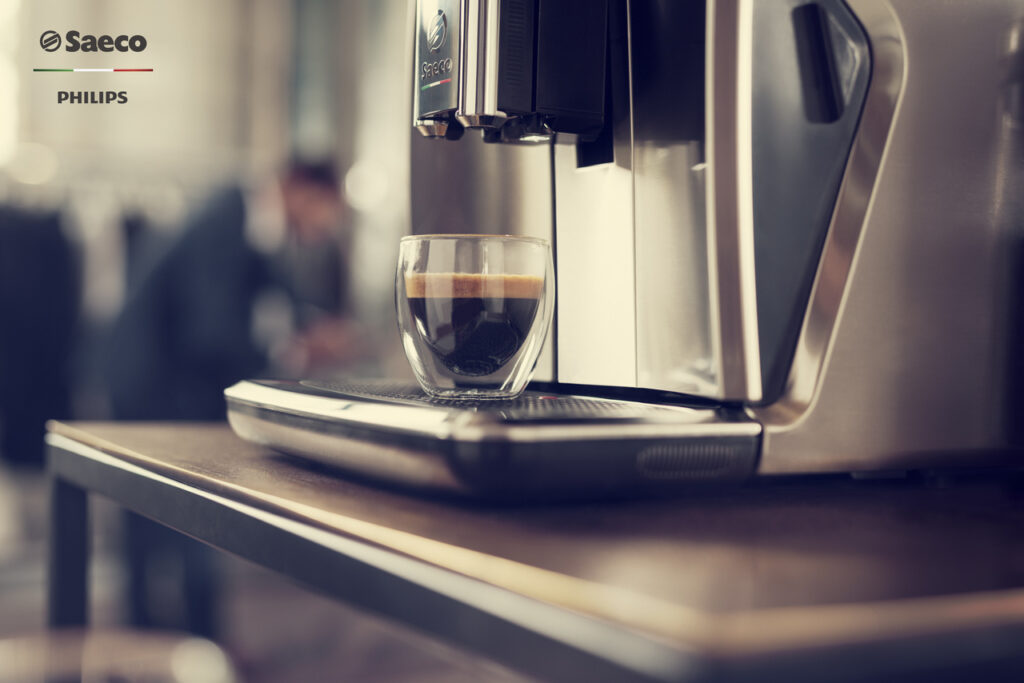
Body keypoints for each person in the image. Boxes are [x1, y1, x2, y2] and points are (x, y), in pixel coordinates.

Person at [106, 160, 357, 638]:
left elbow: (271, 284)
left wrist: (311, 324)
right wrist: (296, 350)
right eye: (325, 209)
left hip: (167, 379)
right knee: (168, 514)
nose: (325, 226)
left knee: (174, 514)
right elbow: (211, 332)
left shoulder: (246, 216)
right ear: (299, 189)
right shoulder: (228, 220)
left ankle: (182, 635)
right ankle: (170, 639)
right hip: (150, 382)